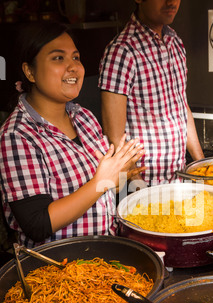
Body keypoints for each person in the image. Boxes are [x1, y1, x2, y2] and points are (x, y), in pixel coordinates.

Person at [0, 22, 145, 249]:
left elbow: (98, 189)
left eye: (76, 58)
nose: (73, 67)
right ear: (30, 71)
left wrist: (121, 178)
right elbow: (37, 224)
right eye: (58, 58)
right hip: (60, 271)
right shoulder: (17, 136)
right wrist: (101, 182)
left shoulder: (83, 117)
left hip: (107, 253)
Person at [99, 0, 204, 187]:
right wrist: (139, 188)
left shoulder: (175, 42)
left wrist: (202, 164)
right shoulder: (121, 51)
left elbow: (181, 106)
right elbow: (114, 134)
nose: (172, 0)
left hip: (179, 176)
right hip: (142, 183)